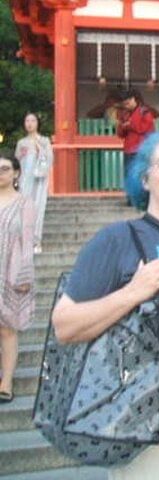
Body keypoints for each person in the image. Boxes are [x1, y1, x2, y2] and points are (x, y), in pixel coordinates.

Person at [51, 132, 159, 479]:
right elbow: (65, 325)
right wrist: (132, 292)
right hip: (149, 423)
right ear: (144, 179)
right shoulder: (117, 239)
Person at [0, 151, 35, 403]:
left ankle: (7, 382)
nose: (0, 174)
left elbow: (28, 241)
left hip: (10, 271)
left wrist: (25, 274)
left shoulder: (24, 203)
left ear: (16, 173)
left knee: (7, 329)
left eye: (4, 169)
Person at [15, 112, 53, 253]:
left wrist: (40, 151)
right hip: (25, 180)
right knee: (24, 210)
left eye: (32, 120)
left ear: (37, 123)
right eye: (27, 121)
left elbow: (50, 159)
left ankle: (36, 240)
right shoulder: (21, 143)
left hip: (39, 182)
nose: (30, 123)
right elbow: (17, 161)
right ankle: (24, 240)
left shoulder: (44, 141)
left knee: (37, 209)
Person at [117, 88, 156, 189]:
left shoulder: (145, 112)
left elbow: (144, 128)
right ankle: (130, 195)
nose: (126, 106)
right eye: (124, 104)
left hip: (141, 149)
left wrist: (129, 125)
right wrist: (123, 126)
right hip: (128, 149)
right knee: (129, 174)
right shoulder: (125, 114)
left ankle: (141, 195)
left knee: (141, 174)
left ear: (134, 99)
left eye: (128, 103)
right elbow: (120, 133)